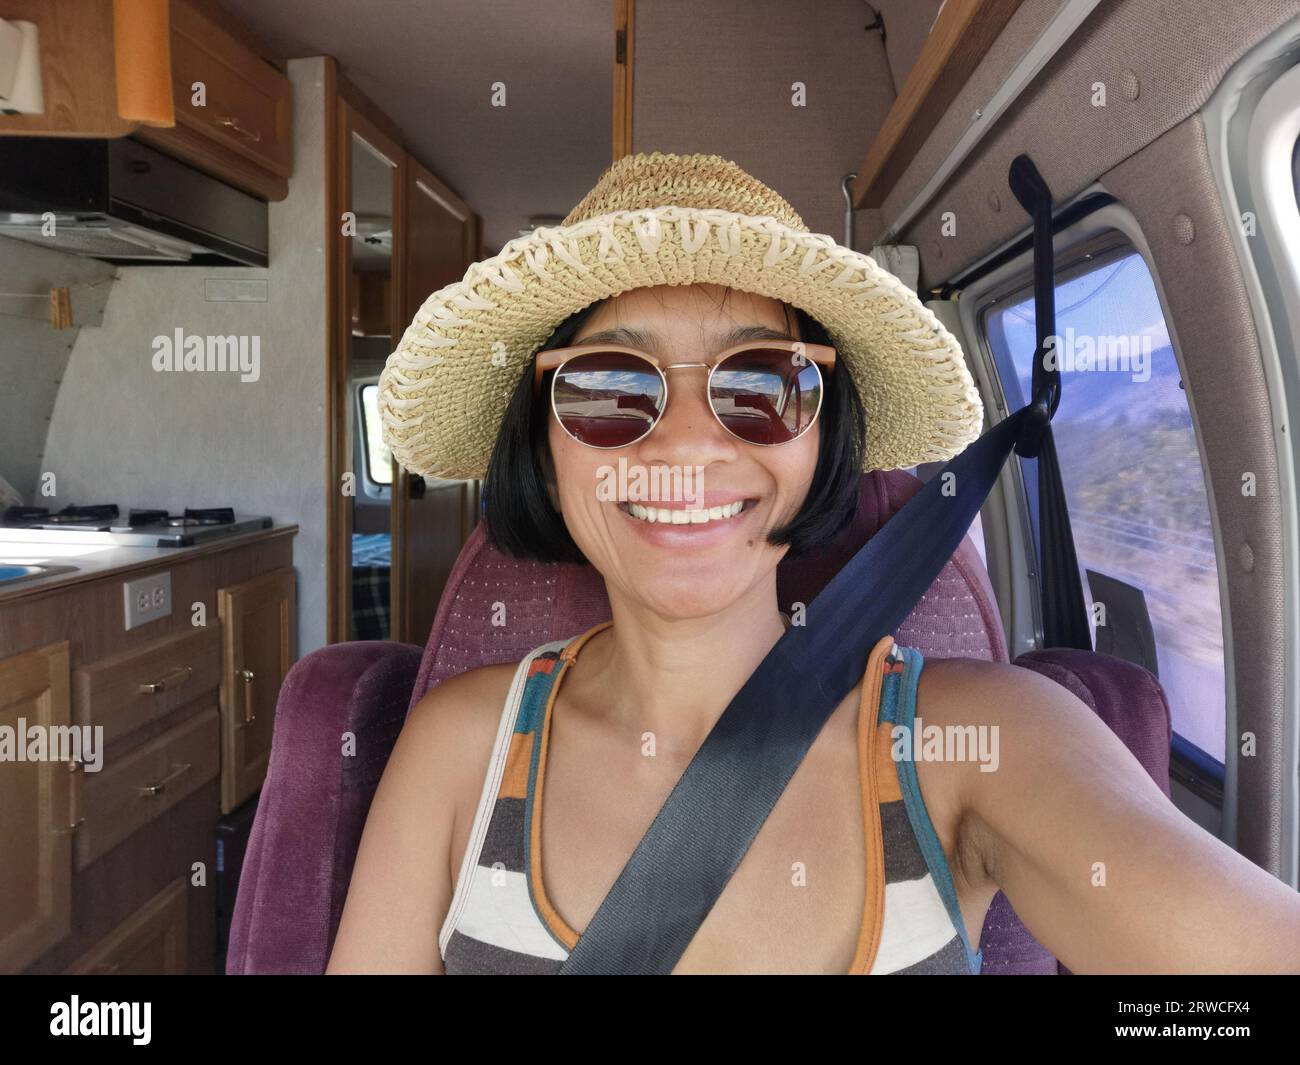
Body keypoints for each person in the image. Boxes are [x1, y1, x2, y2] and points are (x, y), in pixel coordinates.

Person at [326, 152, 1300, 974]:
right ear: (543, 442)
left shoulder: (979, 737)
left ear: (819, 435)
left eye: (760, 382)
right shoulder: (461, 748)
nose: (686, 447)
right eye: (612, 385)